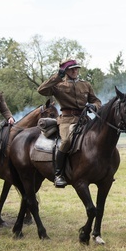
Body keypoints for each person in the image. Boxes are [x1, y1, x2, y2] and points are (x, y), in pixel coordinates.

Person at [37, 59, 101, 188]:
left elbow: (96, 101)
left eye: (76, 68)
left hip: (84, 119)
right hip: (67, 120)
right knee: (66, 141)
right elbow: (41, 90)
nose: (75, 71)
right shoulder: (58, 85)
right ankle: (59, 174)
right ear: (65, 71)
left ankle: (102, 171)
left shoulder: (85, 84)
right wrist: (57, 76)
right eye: (72, 69)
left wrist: (94, 106)